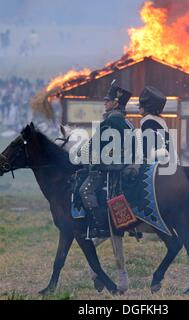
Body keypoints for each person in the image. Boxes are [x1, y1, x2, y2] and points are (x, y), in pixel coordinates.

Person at [79, 80, 133, 238]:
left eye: (108, 101)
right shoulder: (128, 123)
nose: (105, 103)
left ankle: (100, 227)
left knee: (85, 191)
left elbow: (94, 145)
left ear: (116, 104)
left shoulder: (110, 121)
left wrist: (84, 158)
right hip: (125, 166)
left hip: (111, 168)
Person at [138, 86, 170, 163]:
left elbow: (147, 151)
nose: (139, 107)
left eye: (141, 105)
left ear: (148, 107)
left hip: (155, 161)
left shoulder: (148, 121)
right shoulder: (160, 121)